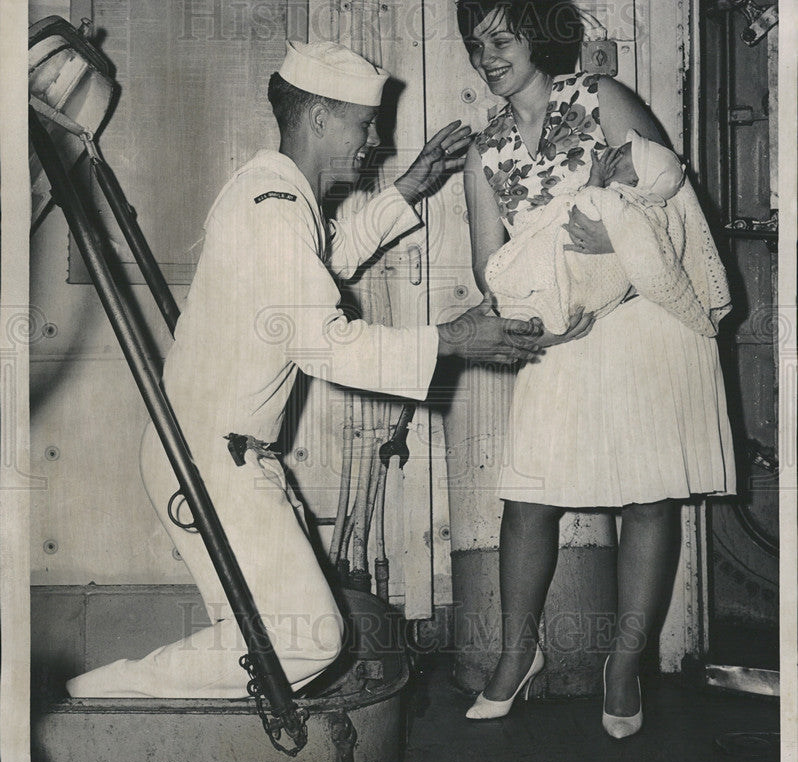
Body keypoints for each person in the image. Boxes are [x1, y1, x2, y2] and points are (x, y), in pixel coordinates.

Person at [65, 39, 565, 700]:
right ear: (320, 118)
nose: (374, 140)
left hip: (221, 455)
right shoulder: (273, 207)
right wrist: (449, 338)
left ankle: (133, 719)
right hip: (211, 466)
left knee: (266, 641)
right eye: (365, 124)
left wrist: (408, 188)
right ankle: (81, 701)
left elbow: (321, 270)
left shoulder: (276, 195)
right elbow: (325, 342)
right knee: (306, 642)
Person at [456, 0, 735, 736]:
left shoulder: (600, 97)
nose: (486, 57)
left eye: (501, 40)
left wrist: (618, 240)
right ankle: (519, 654)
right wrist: (539, 320)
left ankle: (624, 662)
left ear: (537, 38)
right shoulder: (484, 150)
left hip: (644, 319)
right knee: (527, 501)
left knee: (649, 495)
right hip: (565, 328)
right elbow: (490, 265)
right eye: (476, 44)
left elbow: (670, 195)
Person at [484, 129, 718, 337]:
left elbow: (581, 216)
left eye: (623, 154)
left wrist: (595, 179)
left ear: (633, 179)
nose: (613, 152)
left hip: (584, 276)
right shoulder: (617, 196)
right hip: (575, 264)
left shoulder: (618, 202)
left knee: (539, 275)